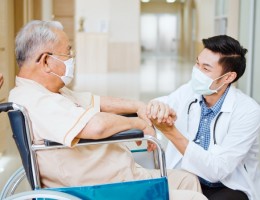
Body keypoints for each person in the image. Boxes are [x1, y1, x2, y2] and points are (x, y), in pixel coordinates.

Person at [8, 20, 207, 200]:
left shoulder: (51, 91)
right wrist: (138, 123)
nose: (71, 58)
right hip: (100, 188)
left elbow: (98, 101)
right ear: (46, 61)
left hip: (120, 175)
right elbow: (97, 127)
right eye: (67, 53)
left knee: (188, 180)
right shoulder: (34, 99)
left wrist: (139, 107)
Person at [147, 35, 260, 200]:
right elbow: (162, 103)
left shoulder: (248, 111)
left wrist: (171, 132)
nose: (197, 72)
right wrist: (155, 109)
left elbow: (217, 170)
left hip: (226, 185)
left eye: (205, 69)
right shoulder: (189, 91)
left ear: (228, 77)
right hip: (186, 177)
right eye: (197, 64)